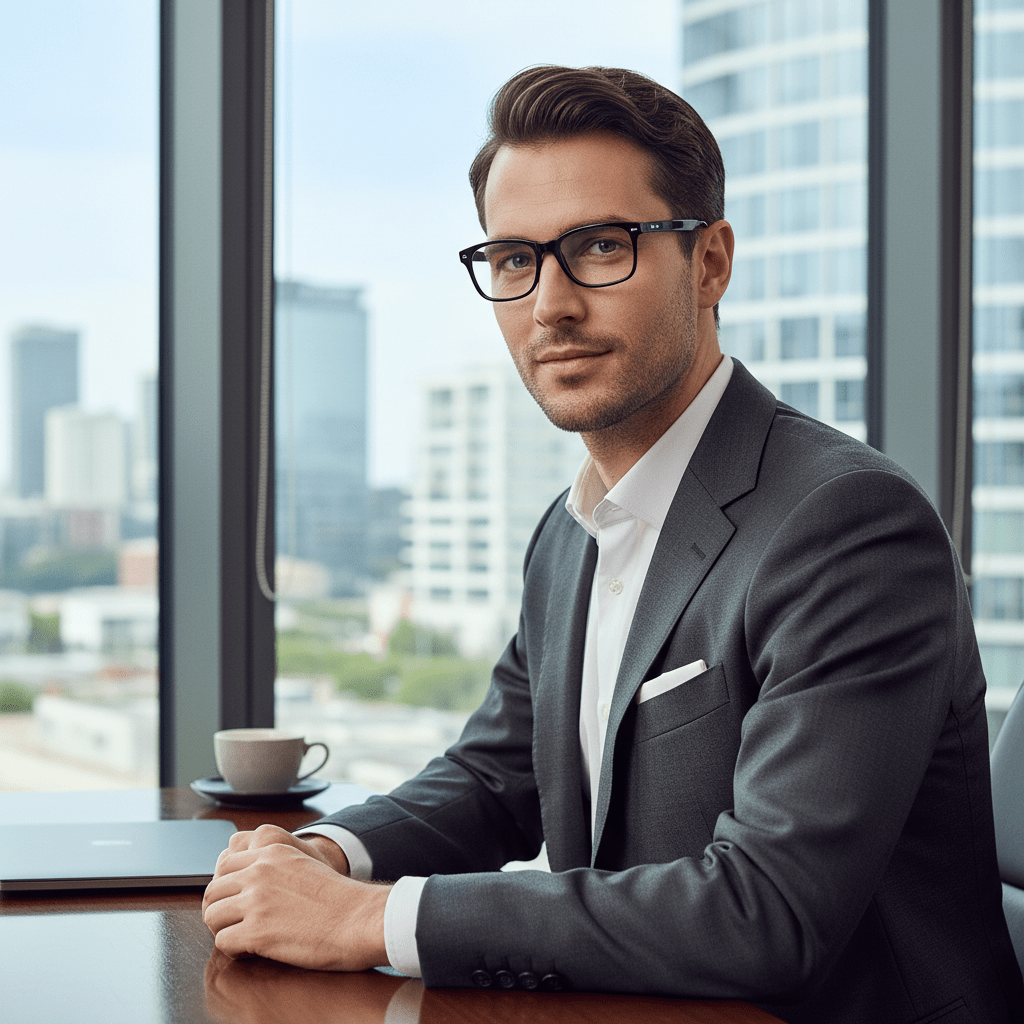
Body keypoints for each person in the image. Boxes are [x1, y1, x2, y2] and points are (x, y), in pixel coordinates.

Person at [202, 66, 1024, 1023]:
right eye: (514, 259)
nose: (549, 304)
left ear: (710, 262)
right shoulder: (573, 529)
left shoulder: (848, 526)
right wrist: (328, 856)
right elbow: (499, 773)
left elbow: (767, 912)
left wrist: (373, 920)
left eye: (599, 246)